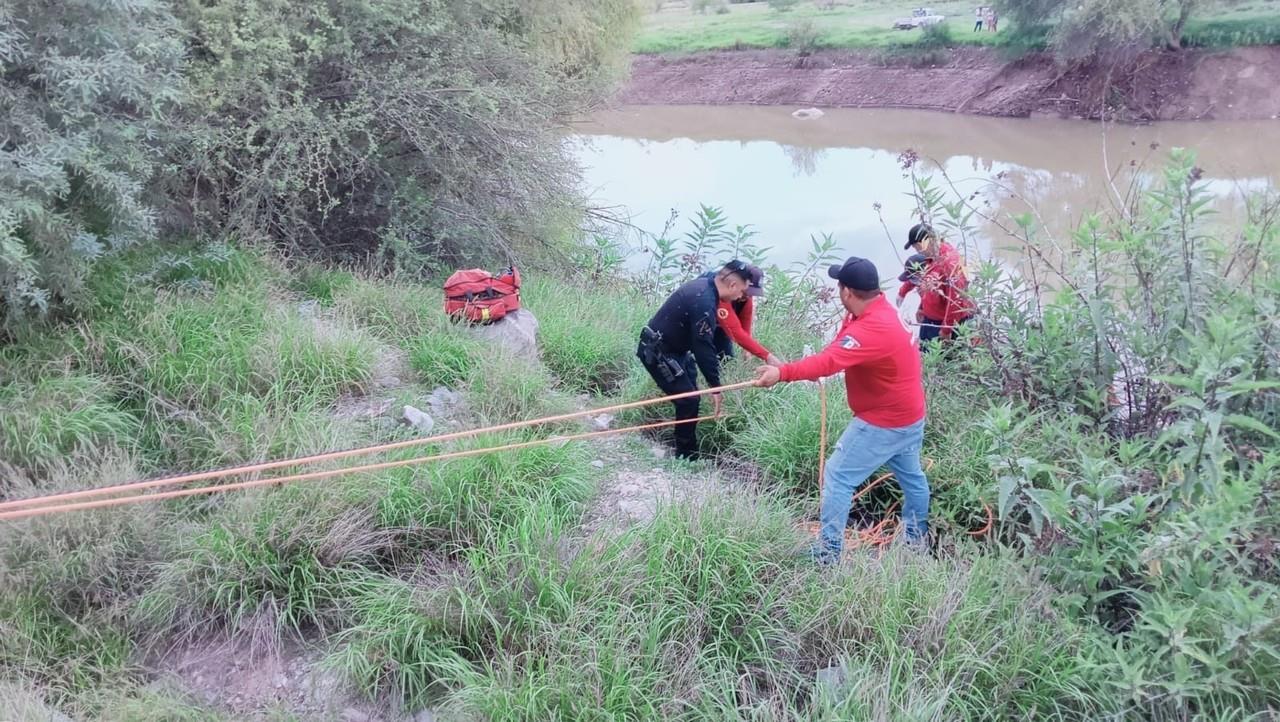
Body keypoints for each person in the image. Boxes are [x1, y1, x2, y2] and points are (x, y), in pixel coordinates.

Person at [755, 256, 929, 564]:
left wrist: (781, 373)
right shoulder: (881, 311)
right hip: (910, 415)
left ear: (847, 292)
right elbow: (838, 348)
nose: (838, 291)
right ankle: (916, 543)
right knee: (912, 479)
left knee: (837, 476)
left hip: (883, 422)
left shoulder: (872, 328)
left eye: (839, 286)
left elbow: (828, 362)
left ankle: (828, 553)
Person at [637, 260, 752, 460]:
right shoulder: (704, 301)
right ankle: (686, 456)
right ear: (732, 285)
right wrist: (715, 387)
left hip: (675, 350)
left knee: (690, 389)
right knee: (689, 400)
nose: (742, 296)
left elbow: (713, 341)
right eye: (743, 291)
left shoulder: (706, 286)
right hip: (658, 352)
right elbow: (703, 346)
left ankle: (684, 447)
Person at [903, 223, 975, 349]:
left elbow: (956, 299)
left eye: (918, 247)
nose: (918, 251)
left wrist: (946, 329)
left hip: (947, 324)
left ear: (929, 240)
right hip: (931, 320)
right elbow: (931, 285)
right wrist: (922, 308)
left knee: (945, 360)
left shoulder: (950, 261)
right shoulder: (933, 257)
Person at [709, 264, 785, 366]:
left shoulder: (745, 297)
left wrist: (747, 350)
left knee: (727, 363)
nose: (748, 296)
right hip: (698, 323)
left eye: (752, 293)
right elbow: (734, 330)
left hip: (720, 327)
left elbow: (745, 324)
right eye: (746, 291)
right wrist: (767, 356)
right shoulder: (719, 290)